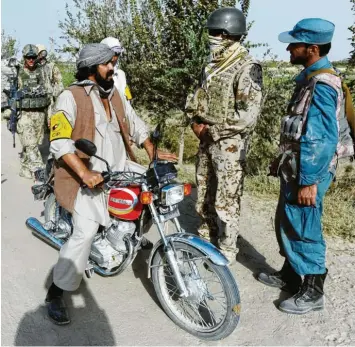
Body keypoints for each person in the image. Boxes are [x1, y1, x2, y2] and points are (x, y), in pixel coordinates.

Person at [45, 43, 177, 324]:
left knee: (155, 191)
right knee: (85, 232)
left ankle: (129, 236)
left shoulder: (114, 93)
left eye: (113, 62)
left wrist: (151, 150)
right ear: (92, 67)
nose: (112, 67)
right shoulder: (70, 97)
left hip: (119, 167)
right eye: (108, 63)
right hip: (89, 174)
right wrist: (84, 173)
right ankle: (56, 292)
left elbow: (135, 122)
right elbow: (59, 142)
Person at [257, 18, 344, 315]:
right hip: (297, 166)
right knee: (288, 219)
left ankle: (313, 289)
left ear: (312, 48)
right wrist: (281, 157)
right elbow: (298, 129)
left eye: (294, 44)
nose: (289, 48)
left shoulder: (322, 83)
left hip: (310, 171)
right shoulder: (310, 78)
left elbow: (320, 138)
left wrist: (309, 181)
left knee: (305, 226)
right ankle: (292, 275)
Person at [185, 7, 262, 264]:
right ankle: (206, 240)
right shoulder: (211, 66)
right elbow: (195, 98)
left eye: (215, 33)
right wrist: (195, 122)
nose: (211, 37)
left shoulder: (246, 67)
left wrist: (214, 131)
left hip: (229, 145)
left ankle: (227, 250)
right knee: (204, 193)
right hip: (206, 142)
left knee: (227, 200)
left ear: (228, 34)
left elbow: (248, 115)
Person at [17, 44, 51, 179]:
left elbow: (48, 93)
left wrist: (50, 115)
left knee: (33, 144)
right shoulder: (18, 72)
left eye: (33, 57)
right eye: (28, 57)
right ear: (24, 57)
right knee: (30, 143)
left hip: (40, 113)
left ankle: (25, 168)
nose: (31, 60)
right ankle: (39, 172)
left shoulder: (42, 71)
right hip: (24, 113)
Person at [35, 44, 64, 126]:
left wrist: (57, 98)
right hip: (36, 99)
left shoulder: (51, 66)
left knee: (50, 123)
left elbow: (59, 83)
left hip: (49, 99)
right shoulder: (33, 67)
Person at [100, 37, 133, 102]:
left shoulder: (121, 74)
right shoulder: (98, 76)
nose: (114, 58)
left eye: (117, 54)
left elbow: (127, 95)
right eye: (113, 53)